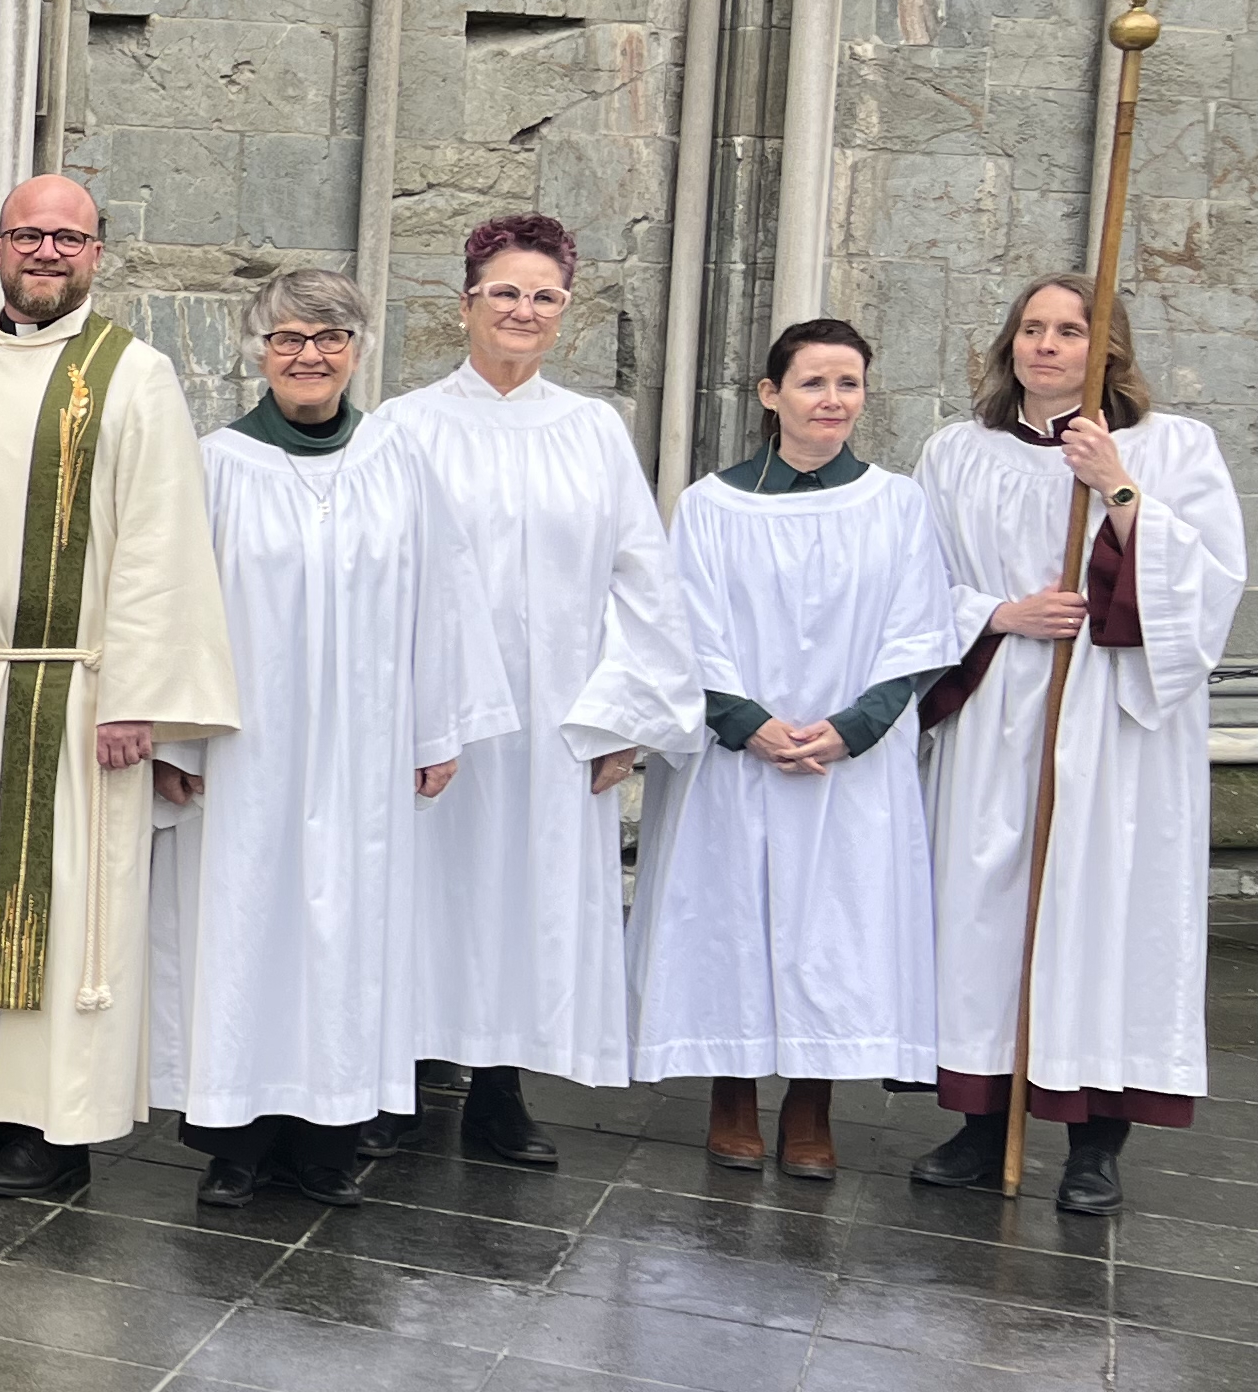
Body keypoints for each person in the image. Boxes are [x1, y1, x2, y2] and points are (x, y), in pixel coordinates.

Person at [0, 176, 234, 1197]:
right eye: (28, 234)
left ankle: (54, 1129)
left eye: (67, 237)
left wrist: (139, 693)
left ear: (97, 253)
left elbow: (162, 542)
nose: (46, 252)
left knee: (65, 909)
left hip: (76, 696)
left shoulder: (133, 376)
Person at [146, 269, 513, 1208]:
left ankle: (329, 1141)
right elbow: (180, 603)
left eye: (328, 339)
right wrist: (178, 741)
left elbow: (445, 596)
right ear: (258, 352)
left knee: (350, 937)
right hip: (245, 748)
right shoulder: (218, 461)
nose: (308, 356)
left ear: (357, 351)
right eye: (287, 340)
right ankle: (235, 1141)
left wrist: (440, 729)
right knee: (242, 929)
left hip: (365, 751)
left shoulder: (397, 461)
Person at [911, 277, 1245, 1213]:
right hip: (995, 716)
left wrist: (1116, 487)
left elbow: (1213, 585)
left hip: (1114, 726)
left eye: (1070, 331)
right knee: (987, 912)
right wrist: (997, 612)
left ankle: (1097, 1142)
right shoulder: (955, 455)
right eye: (1031, 328)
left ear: (1109, 349)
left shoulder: (1173, 448)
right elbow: (907, 588)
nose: (1046, 345)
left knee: (1103, 914)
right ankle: (982, 1122)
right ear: (1008, 343)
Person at [382, 213, 699, 1167]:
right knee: (429, 888)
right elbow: (381, 571)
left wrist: (624, 718)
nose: (524, 310)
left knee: (532, 895)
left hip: (559, 713)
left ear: (565, 311)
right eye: (506, 292)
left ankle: (501, 1091)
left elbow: (643, 579)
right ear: (466, 300)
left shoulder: (591, 430)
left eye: (544, 296)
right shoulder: (407, 427)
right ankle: (401, 1076)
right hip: (440, 713)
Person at [625, 318, 955, 1180]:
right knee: (732, 914)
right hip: (739, 759)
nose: (833, 401)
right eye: (813, 383)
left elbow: (917, 629)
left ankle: (813, 1102)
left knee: (835, 926)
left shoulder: (896, 503)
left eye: (849, 384)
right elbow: (681, 629)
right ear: (771, 395)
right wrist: (748, 722)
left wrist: (856, 725)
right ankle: (731, 1096)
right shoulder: (711, 504)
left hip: (851, 764)